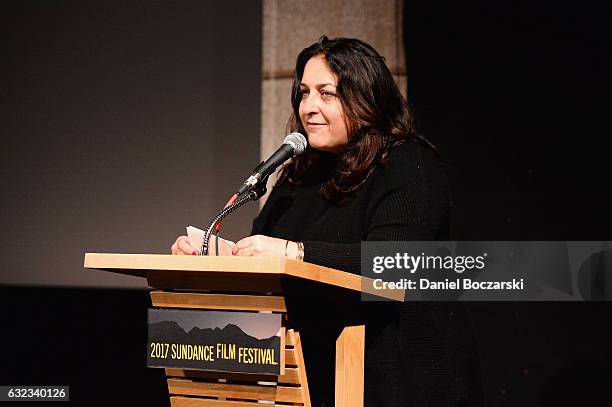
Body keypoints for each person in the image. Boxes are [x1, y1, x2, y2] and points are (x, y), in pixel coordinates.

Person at [172, 36, 481, 407]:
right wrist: (212, 253)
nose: (308, 108)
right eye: (303, 93)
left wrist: (296, 253)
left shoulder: (407, 165)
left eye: (326, 94)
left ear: (366, 98)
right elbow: (265, 256)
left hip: (397, 376)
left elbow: (393, 263)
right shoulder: (298, 176)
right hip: (311, 376)